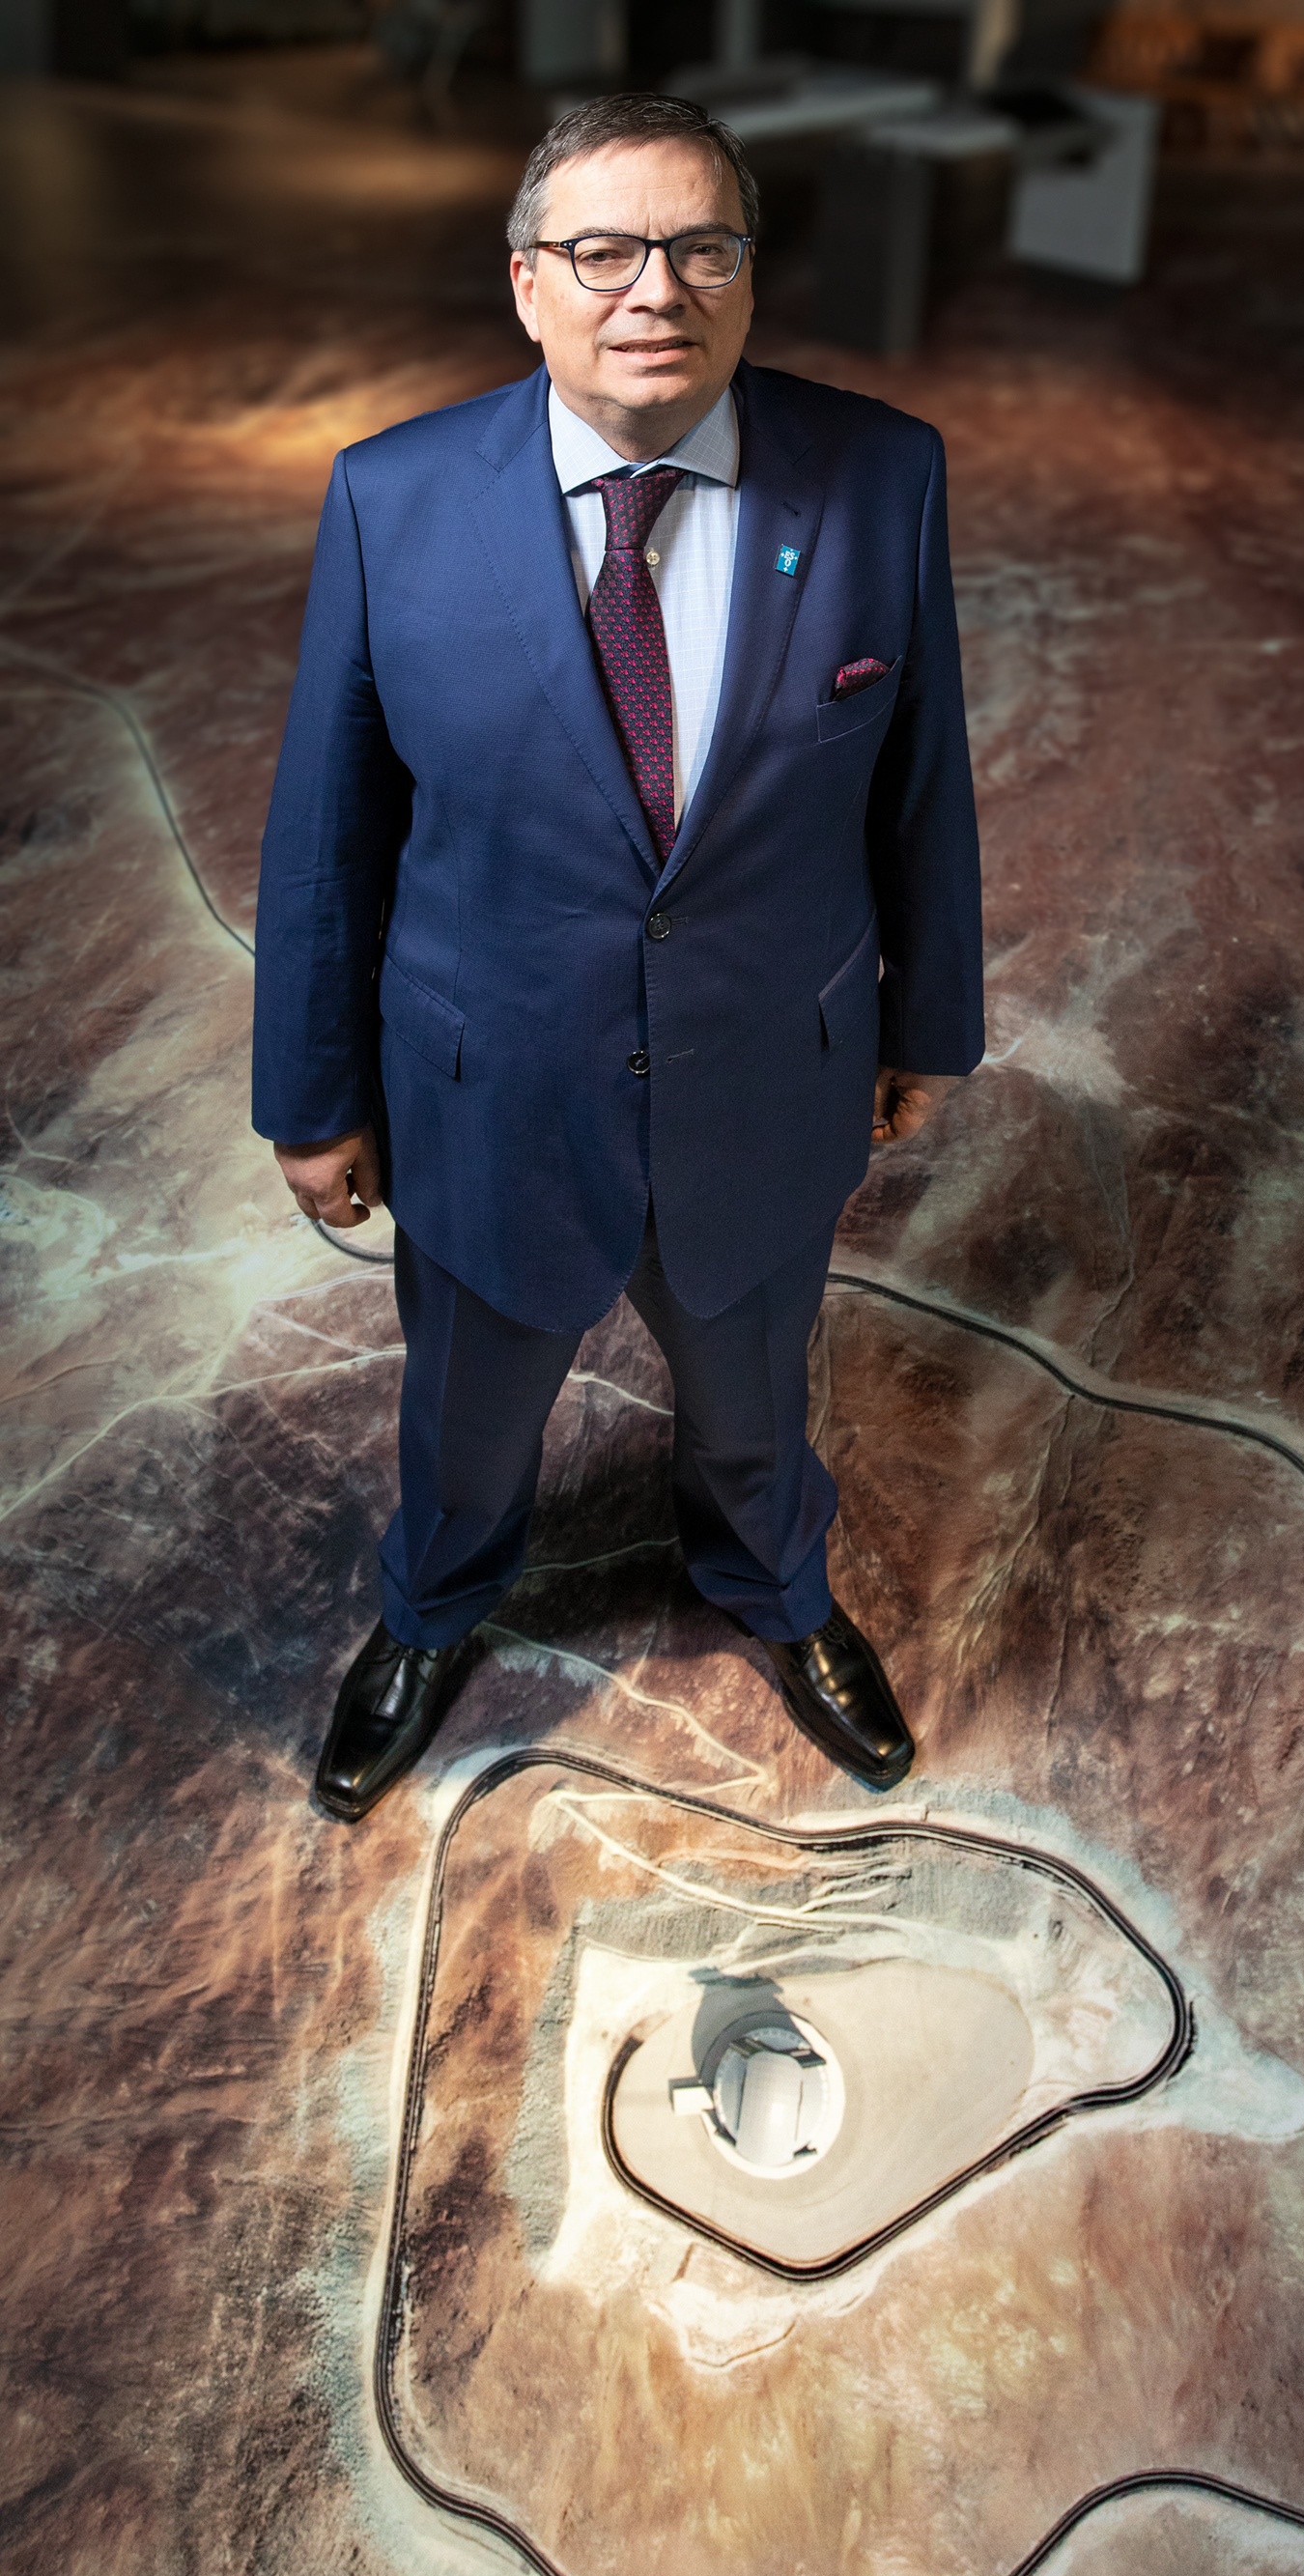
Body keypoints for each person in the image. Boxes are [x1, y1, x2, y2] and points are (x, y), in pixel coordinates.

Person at [251, 93, 984, 1821]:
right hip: (489, 1087)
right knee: (466, 1411)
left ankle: (775, 1589)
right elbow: (330, 831)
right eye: (601, 250)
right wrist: (310, 1096)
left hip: (770, 1066)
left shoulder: (881, 476)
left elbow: (924, 777)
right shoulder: (391, 498)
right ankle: (431, 1609)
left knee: (755, 1394)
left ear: (747, 274)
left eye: (699, 246)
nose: (654, 287)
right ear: (526, 284)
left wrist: (930, 1027)